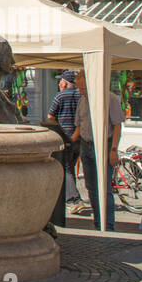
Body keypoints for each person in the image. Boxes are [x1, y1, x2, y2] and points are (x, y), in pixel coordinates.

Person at [70, 68, 122, 232]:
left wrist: (113, 149)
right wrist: (69, 142)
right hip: (86, 145)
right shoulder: (82, 101)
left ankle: (108, 226)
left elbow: (117, 126)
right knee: (91, 187)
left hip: (104, 145)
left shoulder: (110, 99)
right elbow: (79, 127)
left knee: (104, 188)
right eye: (79, 88)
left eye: (83, 88)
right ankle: (98, 223)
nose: (81, 91)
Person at [47, 69, 82, 211]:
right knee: (71, 167)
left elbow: (50, 116)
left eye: (61, 81)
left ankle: (73, 199)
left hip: (65, 135)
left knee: (65, 168)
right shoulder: (81, 96)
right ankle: (71, 196)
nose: (59, 83)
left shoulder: (60, 96)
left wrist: (58, 127)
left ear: (64, 83)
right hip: (79, 137)